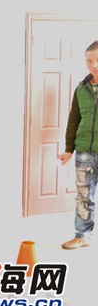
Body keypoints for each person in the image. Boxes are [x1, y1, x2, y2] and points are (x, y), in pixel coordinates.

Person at [58, 40, 98, 250]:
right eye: (89, 61)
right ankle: (82, 236)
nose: (94, 65)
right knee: (84, 197)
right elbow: (74, 119)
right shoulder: (81, 88)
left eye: (97, 60)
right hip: (85, 153)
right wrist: (68, 149)